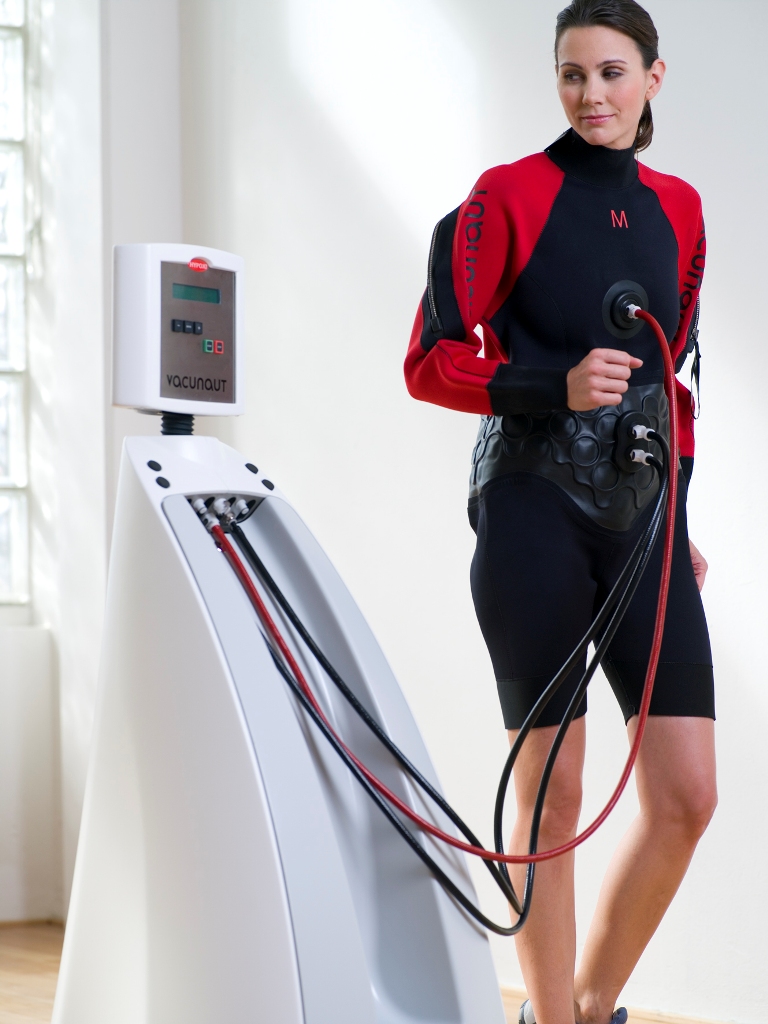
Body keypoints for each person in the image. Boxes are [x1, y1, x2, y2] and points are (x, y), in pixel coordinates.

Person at [403, 2, 717, 1022]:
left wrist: (679, 516)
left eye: (612, 73)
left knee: (687, 793)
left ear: (653, 79)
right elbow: (428, 361)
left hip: (645, 519)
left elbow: (671, 379)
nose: (591, 94)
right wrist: (552, 386)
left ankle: (580, 1009)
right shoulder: (505, 196)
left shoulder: (681, 209)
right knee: (555, 787)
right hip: (531, 505)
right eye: (572, 75)